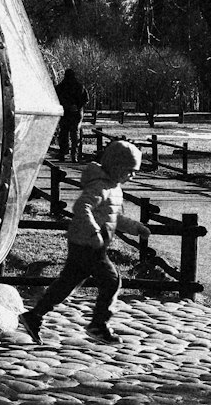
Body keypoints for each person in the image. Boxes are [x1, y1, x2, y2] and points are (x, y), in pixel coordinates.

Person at [19, 139, 150, 344]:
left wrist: (135, 227)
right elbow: (82, 207)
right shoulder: (100, 187)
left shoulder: (113, 188)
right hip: (88, 244)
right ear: (115, 167)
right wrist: (94, 232)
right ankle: (98, 324)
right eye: (129, 170)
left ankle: (34, 316)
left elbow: (113, 217)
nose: (132, 175)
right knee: (111, 280)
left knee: (67, 283)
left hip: (87, 243)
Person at [55, 66, 88, 161]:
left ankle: (63, 154)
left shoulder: (60, 87)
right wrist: (77, 106)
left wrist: (67, 106)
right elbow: (86, 99)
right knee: (75, 134)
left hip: (65, 113)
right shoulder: (79, 86)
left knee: (64, 134)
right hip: (76, 114)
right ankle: (75, 155)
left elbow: (57, 99)